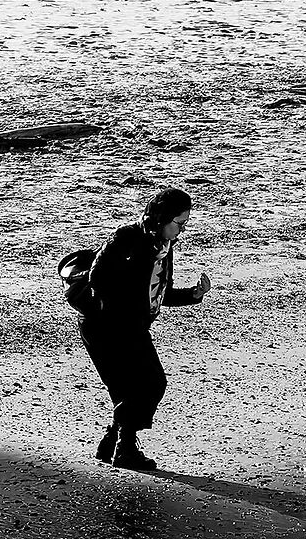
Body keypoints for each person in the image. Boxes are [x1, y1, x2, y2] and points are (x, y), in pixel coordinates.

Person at [78, 186, 211, 471]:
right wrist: (123, 313)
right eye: (180, 223)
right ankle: (121, 446)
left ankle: (116, 445)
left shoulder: (164, 245)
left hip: (127, 326)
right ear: (162, 217)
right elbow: (97, 278)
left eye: (185, 223)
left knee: (128, 389)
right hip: (106, 326)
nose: (182, 230)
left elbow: (158, 293)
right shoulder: (128, 236)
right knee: (152, 384)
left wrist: (192, 296)